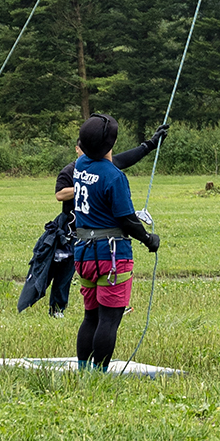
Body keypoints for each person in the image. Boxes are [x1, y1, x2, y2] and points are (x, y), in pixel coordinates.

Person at [71, 113, 161, 372]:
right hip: (111, 257)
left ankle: (83, 370)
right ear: (109, 144)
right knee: (109, 319)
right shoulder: (114, 178)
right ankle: (99, 375)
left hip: (84, 254)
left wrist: (148, 146)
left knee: (91, 316)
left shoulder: (81, 165)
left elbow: (117, 161)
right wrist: (148, 239)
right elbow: (127, 220)